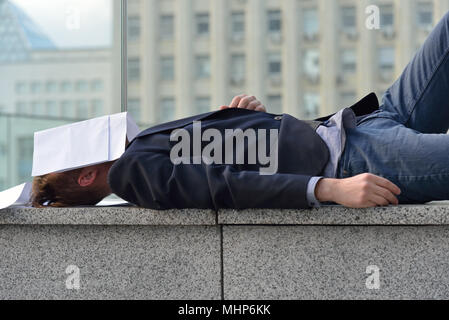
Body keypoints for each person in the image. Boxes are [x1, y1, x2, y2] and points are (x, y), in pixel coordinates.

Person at [32, 12, 449, 209]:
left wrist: (243, 119)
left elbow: (225, 165)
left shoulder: (140, 153)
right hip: (355, 159)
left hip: (360, 125)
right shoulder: (130, 171)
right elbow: (224, 187)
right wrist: (328, 189)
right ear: (87, 175)